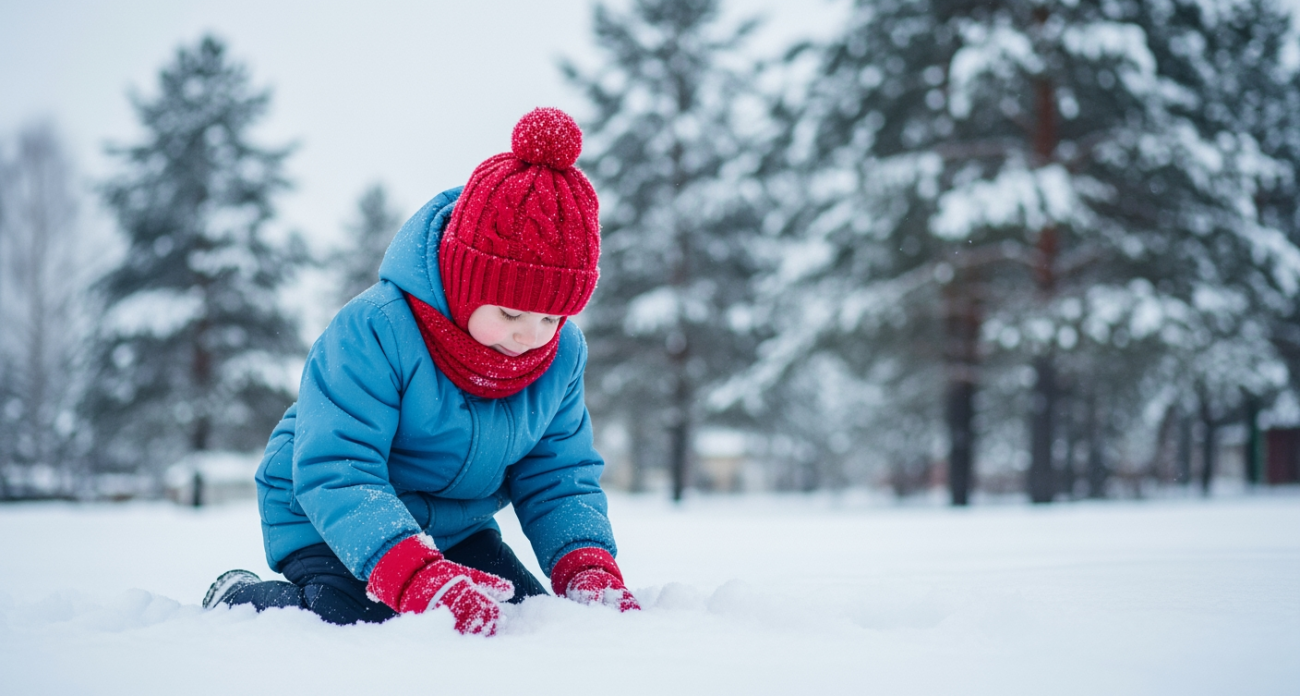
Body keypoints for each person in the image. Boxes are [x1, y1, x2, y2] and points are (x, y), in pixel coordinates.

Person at [201, 107, 638, 636]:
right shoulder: (377, 330)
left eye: (550, 315)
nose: (531, 335)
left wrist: (585, 567)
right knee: (359, 621)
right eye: (509, 312)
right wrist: (414, 576)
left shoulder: (560, 357)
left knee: (523, 620)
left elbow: (557, 476)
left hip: (454, 529)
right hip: (327, 513)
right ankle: (242, 598)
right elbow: (337, 464)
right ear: (463, 283)